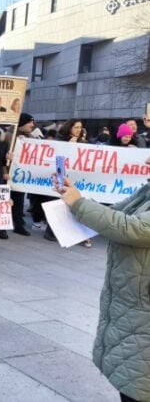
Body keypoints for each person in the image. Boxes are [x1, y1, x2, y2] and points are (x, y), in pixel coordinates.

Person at [56, 167, 150, 402]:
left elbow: (135, 228)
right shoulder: (147, 189)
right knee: (132, 377)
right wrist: (75, 197)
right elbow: (116, 213)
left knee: (138, 382)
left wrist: (80, 205)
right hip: (134, 299)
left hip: (143, 304)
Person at [9, 113, 36, 236]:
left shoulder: (30, 137)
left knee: (19, 199)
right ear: (21, 123)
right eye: (29, 122)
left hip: (21, 174)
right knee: (11, 199)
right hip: (10, 174)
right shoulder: (10, 136)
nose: (32, 125)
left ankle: (18, 222)